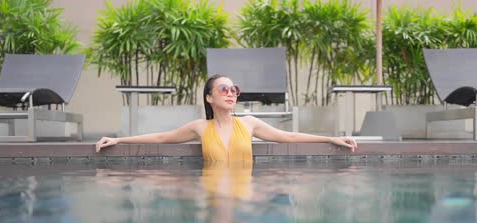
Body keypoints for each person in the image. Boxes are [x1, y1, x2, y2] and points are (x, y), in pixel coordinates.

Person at [95, 74, 357, 161]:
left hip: (245, 192)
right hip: (211, 191)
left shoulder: (249, 123)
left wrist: (331, 138)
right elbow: (163, 137)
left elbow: (287, 135)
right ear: (209, 98)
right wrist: (119, 140)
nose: (231, 93)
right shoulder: (200, 127)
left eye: (234, 89)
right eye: (223, 89)